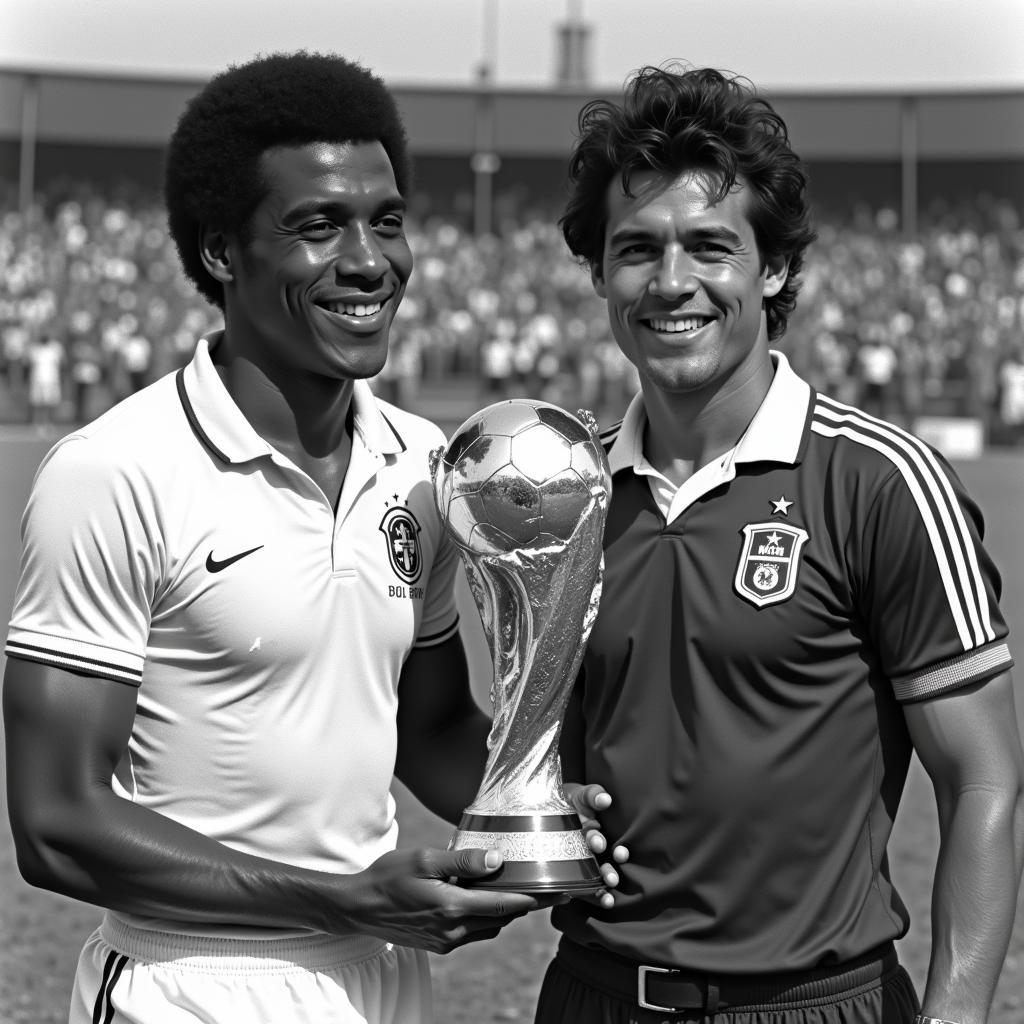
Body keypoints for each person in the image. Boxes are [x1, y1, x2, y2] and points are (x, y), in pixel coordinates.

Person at [3, 52, 618, 1024]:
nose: (370, 260)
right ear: (219, 253)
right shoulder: (116, 470)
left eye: (386, 220)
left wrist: (538, 812)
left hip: (378, 975)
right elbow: (56, 823)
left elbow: (430, 723)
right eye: (317, 226)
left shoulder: (423, 464)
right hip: (188, 983)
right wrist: (335, 892)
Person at [534, 64, 1024, 1024]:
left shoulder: (881, 482)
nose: (671, 282)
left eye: (710, 247)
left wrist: (957, 1013)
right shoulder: (560, 495)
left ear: (774, 269)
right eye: (636, 249)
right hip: (591, 998)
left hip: (816, 1003)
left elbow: (984, 775)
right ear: (599, 273)